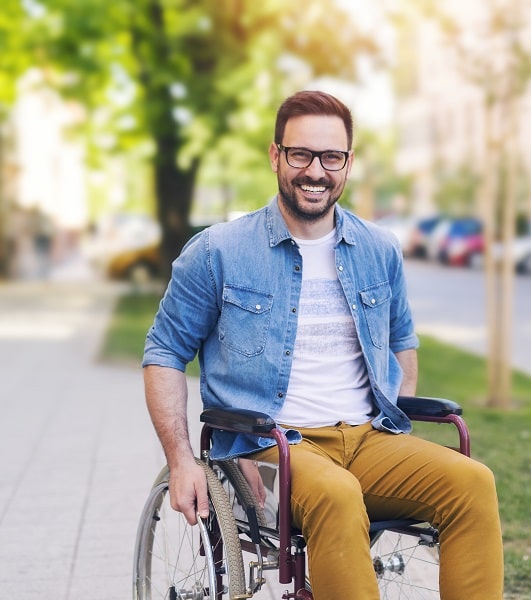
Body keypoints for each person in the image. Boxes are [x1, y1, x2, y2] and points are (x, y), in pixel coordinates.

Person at [142, 90, 504, 599]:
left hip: (366, 438)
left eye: (331, 157)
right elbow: (163, 352)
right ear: (276, 156)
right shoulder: (218, 252)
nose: (316, 171)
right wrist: (182, 462)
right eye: (301, 155)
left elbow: (401, 341)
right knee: (337, 493)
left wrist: (395, 425)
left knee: (473, 482)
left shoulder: (379, 249)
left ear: (348, 164)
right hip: (269, 447)